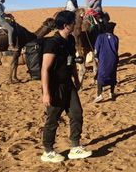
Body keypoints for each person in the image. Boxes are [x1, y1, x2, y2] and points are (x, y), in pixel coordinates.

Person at [41, 10, 92, 163]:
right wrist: (46, 92)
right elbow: (45, 69)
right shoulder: (53, 43)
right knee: (53, 119)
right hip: (55, 87)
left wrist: (77, 80)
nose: (75, 25)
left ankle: (75, 147)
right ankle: (48, 151)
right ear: (66, 25)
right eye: (73, 23)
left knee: (76, 113)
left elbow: (71, 63)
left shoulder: (70, 40)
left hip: (68, 84)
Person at [93, 23, 119, 103]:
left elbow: (96, 48)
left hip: (103, 58)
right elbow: (116, 49)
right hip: (113, 58)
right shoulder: (115, 38)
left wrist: (96, 57)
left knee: (101, 75)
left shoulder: (100, 37)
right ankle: (111, 92)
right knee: (112, 74)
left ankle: (99, 94)